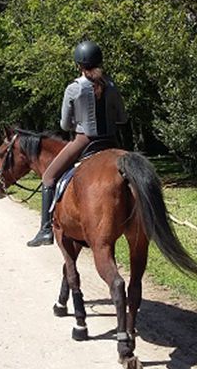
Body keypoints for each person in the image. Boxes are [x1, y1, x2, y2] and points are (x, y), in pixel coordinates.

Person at [27, 40, 127, 247]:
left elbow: (65, 125)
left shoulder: (74, 88)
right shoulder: (111, 86)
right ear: (100, 62)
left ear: (78, 64)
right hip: (111, 141)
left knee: (49, 176)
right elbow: (122, 118)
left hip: (84, 141)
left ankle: (46, 230)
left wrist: (77, 122)